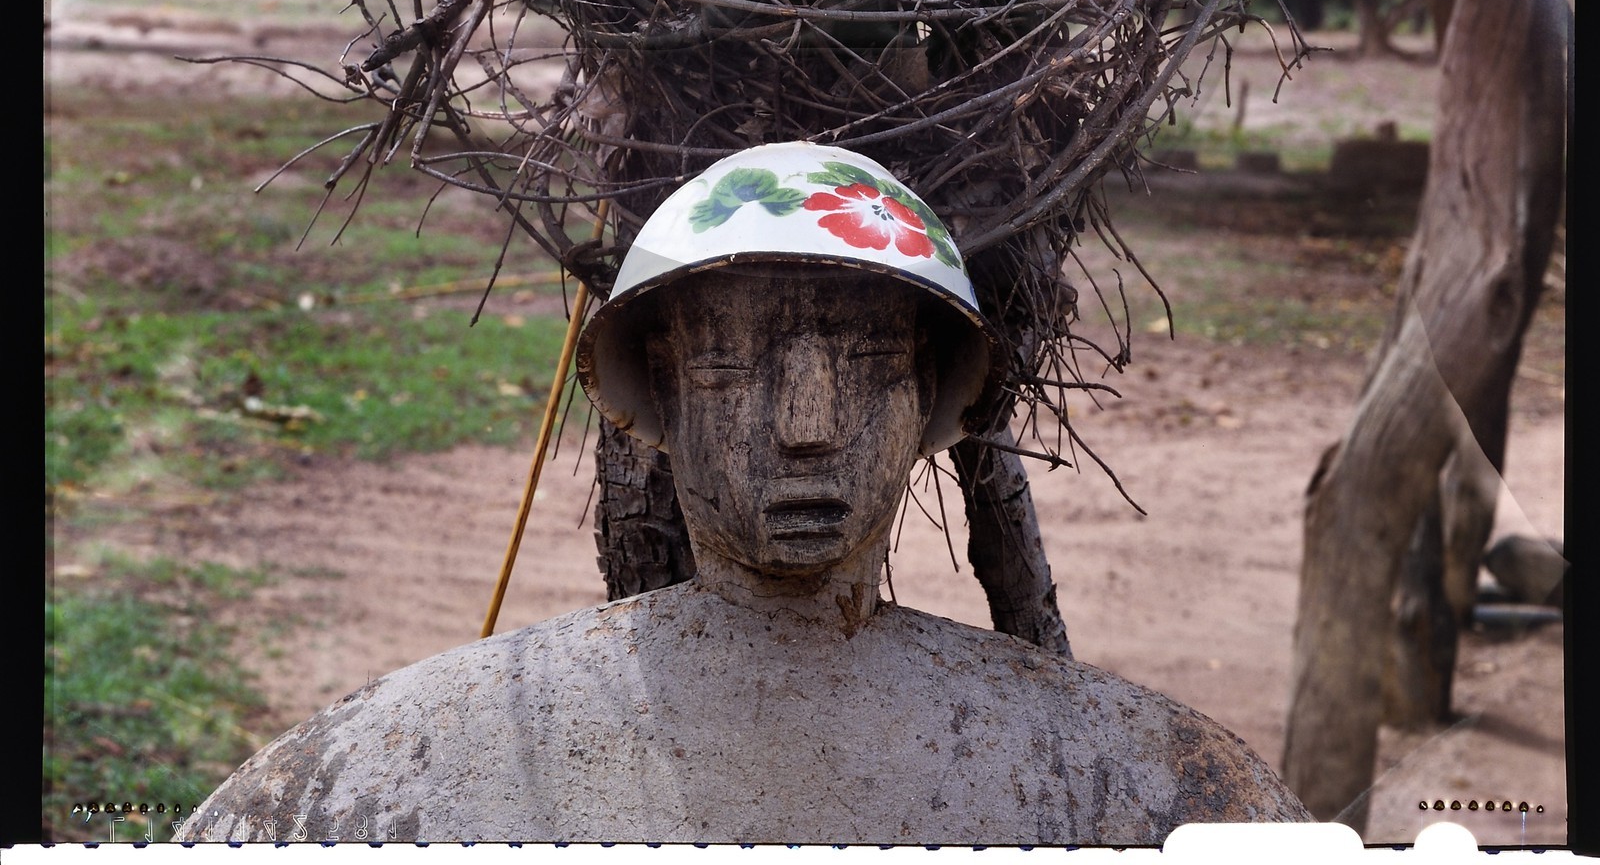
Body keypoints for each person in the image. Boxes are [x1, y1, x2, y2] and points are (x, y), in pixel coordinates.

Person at [178, 143, 1309, 843]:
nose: (807, 425)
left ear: (930, 397)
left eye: (868, 367)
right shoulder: (383, 775)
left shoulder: (1132, 781)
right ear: (655, 394)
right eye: (733, 364)